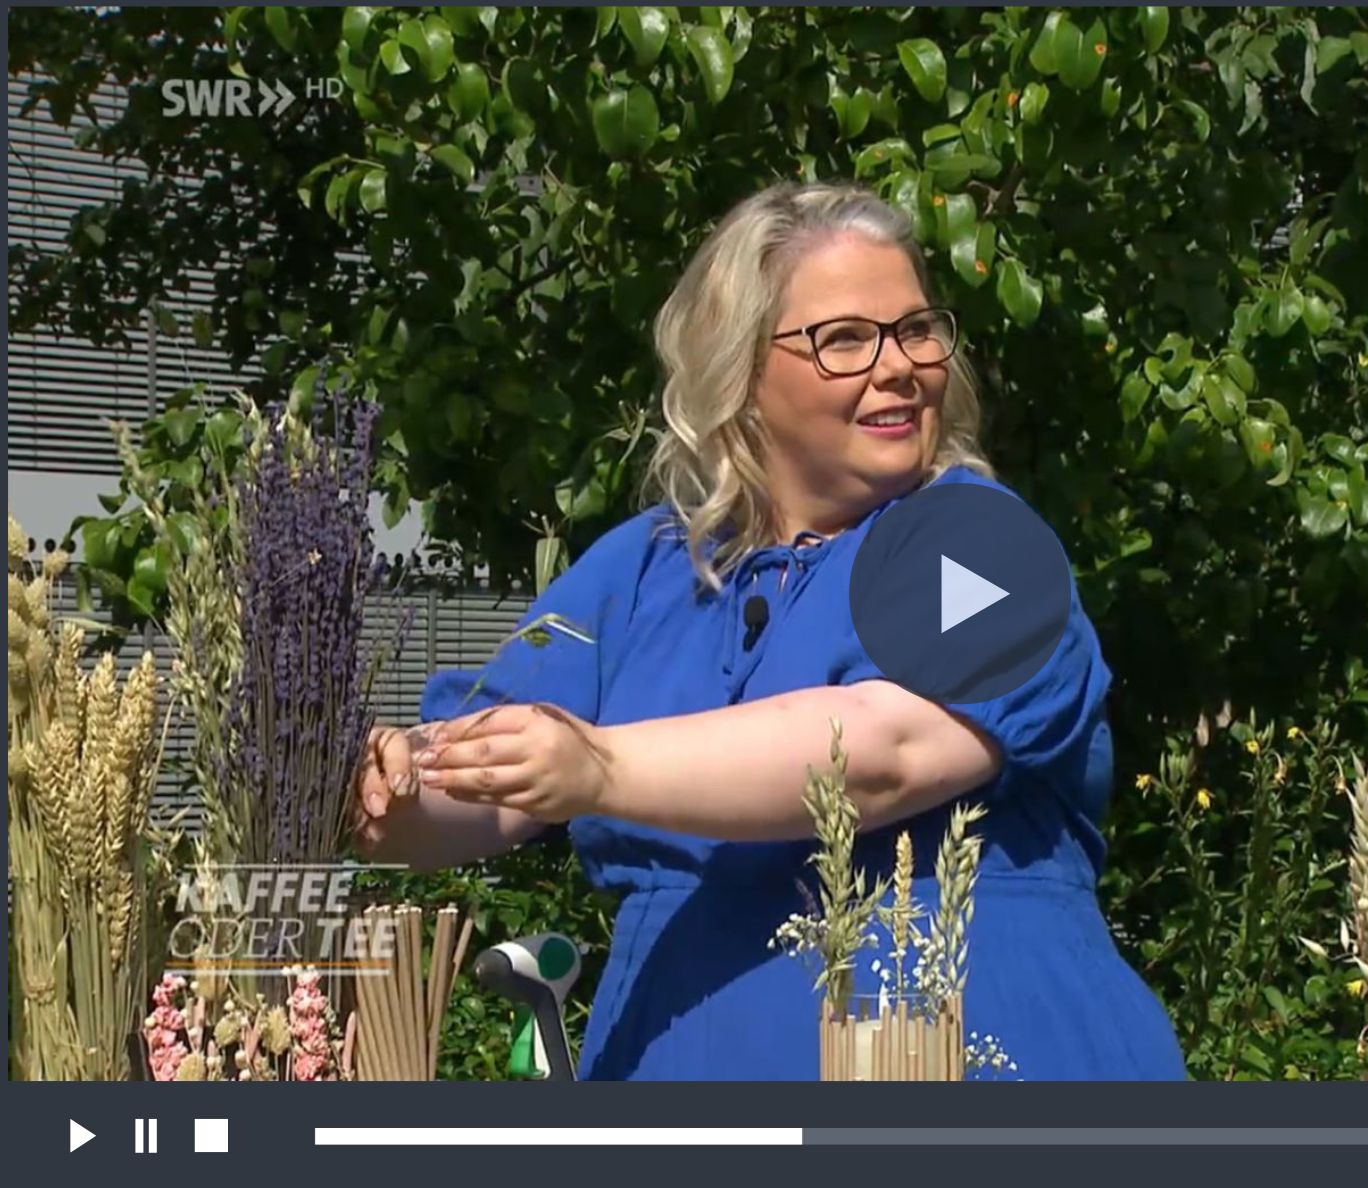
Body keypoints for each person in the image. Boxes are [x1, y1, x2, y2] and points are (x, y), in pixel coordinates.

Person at [353, 181, 1187, 1081]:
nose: (900, 364)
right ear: (739, 374)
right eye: (844, 340)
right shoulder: (638, 572)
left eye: (915, 330)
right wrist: (385, 789)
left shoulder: (979, 540)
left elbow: (888, 750)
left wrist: (600, 767)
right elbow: (493, 784)